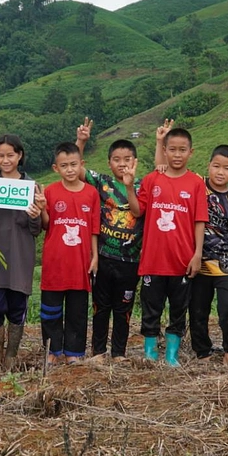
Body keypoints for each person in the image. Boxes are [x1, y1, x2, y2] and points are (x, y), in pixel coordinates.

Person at [126, 126, 208, 367]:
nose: (177, 155)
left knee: (178, 310)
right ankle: (150, 352)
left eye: (182, 150)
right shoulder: (152, 180)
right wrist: (129, 187)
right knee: (151, 308)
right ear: (164, 150)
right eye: (172, 149)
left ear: (191, 152)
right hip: (153, 260)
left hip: (182, 261)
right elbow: (137, 211)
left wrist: (197, 254)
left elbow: (199, 221)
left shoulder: (196, 183)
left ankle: (172, 354)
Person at [73, 118, 150, 361]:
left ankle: (119, 353)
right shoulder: (103, 183)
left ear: (135, 162)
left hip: (130, 260)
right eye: (117, 159)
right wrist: (81, 141)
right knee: (100, 307)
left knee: (123, 309)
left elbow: (138, 212)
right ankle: (98, 351)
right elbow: (76, 169)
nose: (122, 164)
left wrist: (130, 186)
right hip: (104, 258)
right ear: (109, 163)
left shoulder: (143, 186)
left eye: (127, 159)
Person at [0, 135, 44, 369]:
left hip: (20, 255)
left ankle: (11, 357)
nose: (6, 160)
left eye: (10, 155)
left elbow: (35, 229)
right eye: (1, 156)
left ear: (20, 156)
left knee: (17, 308)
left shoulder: (32, 186)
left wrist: (36, 215)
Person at [39, 142, 100, 364]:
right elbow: (46, 224)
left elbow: (94, 229)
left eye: (74, 164)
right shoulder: (50, 191)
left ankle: (74, 352)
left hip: (80, 263)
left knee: (77, 311)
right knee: (50, 310)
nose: (70, 170)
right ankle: (53, 351)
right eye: (64, 166)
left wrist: (95, 256)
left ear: (81, 164)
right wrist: (42, 208)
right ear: (56, 168)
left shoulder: (91, 193)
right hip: (55, 261)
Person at [190, 144, 228, 365]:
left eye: (226, 168)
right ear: (208, 166)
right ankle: (202, 351)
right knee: (197, 309)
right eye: (216, 166)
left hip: (227, 262)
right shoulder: (196, 185)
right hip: (198, 260)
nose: (220, 172)